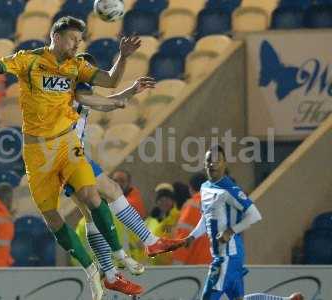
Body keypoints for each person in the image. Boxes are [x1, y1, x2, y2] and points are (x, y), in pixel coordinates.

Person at [0, 16, 144, 300]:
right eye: (73, 39)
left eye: (80, 41)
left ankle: (119, 256)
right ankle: (93, 271)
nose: (77, 45)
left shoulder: (77, 66)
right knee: (52, 218)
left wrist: (123, 57)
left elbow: (111, 80)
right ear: (56, 35)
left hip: (66, 144)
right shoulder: (28, 60)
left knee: (92, 194)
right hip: (36, 152)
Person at [64, 52, 184, 289]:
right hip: (67, 155)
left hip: (60, 157)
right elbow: (105, 103)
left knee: (90, 216)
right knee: (113, 189)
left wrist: (130, 91)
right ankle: (150, 241)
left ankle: (109, 275)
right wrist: (121, 98)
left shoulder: (75, 89)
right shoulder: (77, 87)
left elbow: (103, 99)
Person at [176, 145, 262, 300]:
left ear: (224, 163)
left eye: (217, 161)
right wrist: (192, 236)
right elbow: (206, 217)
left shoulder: (230, 189)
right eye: (209, 160)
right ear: (204, 163)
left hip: (228, 256)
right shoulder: (205, 187)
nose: (212, 164)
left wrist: (231, 231)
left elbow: (254, 215)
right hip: (222, 255)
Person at [172, 172, 212, 265]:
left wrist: (176, 267)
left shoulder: (192, 206)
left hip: (196, 269)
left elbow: (184, 239)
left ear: (190, 188)